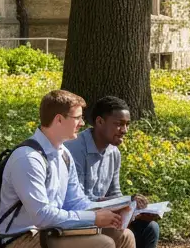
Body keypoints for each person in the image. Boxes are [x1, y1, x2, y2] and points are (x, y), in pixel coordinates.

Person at [0, 90, 136, 248]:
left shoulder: (63, 154)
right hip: (22, 237)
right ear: (59, 120)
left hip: (52, 230)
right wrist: (94, 218)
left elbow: (76, 201)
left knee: (124, 236)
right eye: (77, 118)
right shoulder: (28, 159)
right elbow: (42, 216)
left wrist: (111, 210)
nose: (82, 123)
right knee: (102, 244)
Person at [65, 96, 160, 248]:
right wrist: (121, 203)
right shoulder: (74, 149)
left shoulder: (114, 152)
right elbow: (78, 200)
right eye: (119, 124)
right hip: (83, 218)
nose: (124, 130)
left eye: (127, 124)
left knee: (149, 229)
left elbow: (114, 193)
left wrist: (134, 209)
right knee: (120, 235)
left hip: (106, 216)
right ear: (100, 122)